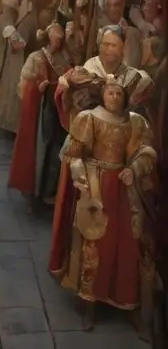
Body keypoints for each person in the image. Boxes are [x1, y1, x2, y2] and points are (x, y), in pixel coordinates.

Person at [49, 77, 156, 330]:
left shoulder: (135, 122)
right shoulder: (89, 119)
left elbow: (147, 151)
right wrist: (82, 178)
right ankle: (90, 305)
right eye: (110, 92)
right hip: (97, 189)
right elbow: (73, 155)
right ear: (103, 94)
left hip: (123, 189)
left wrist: (135, 169)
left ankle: (128, 301)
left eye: (119, 93)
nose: (114, 97)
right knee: (94, 247)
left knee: (129, 245)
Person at [7, 20, 70, 205]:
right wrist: (37, 88)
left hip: (58, 109)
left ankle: (49, 191)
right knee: (40, 150)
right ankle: (34, 191)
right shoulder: (36, 58)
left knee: (55, 151)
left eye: (60, 39)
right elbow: (24, 86)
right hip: (41, 112)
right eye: (55, 38)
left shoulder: (62, 57)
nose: (58, 42)